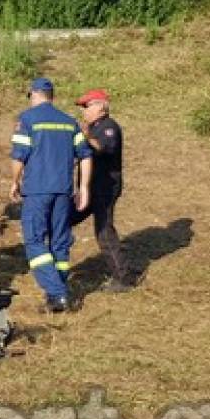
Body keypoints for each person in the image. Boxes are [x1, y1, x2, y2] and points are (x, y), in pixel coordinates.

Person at [9, 77, 93, 313]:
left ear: (34, 94)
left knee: (34, 240)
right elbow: (85, 155)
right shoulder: (69, 122)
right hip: (64, 190)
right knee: (59, 241)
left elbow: (19, 155)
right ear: (52, 96)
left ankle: (57, 293)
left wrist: (14, 181)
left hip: (37, 190)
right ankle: (56, 296)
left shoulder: (27, 119)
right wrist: (84, 187)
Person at [72, 89, 131, 292]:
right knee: (63, 218)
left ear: (101, 107)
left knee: (104, 231)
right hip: (89, 188)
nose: (84, 112)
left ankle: (122, 278)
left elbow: (102, 147)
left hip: (105, 188)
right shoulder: (94, 126)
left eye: (87, 106)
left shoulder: (109, 127)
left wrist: (84, 136)